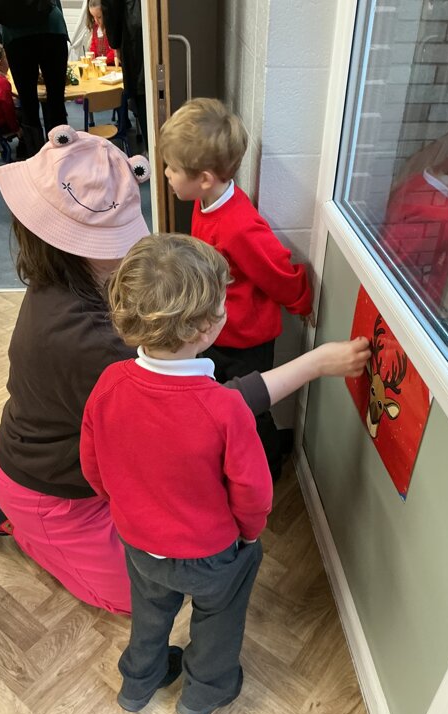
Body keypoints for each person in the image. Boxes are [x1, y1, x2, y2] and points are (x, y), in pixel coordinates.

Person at [0, 128, 371, 618]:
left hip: (78, 465)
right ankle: (17, 520)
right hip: (52, 490)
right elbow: (203, 411)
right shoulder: (91, 344)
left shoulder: (68, 281)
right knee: (137, 598)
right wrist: (315, 363)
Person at [80, 234, 272, 714]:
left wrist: (125, 506)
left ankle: (136, 685)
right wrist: (249, 535)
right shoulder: (225, 408)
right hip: (210, 552)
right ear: (206, 326)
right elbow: (253, 493)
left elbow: (93, 466)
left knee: (149, 611)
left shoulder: (108, 384)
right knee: (220, 615)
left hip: (139, 541)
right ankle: (204, 694)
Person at [159, 98, 314, 482]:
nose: (166, 174)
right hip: (219, 330)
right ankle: (230, 456)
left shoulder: (239, 225)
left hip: (246, 341)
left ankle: (268, 470)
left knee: (251, 408)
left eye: (172, 168)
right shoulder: (205, 201)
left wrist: (300, 301)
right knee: (222, 400)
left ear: (204, 178)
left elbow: (276, 269)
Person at [0, 0, 69, 156]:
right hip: (51, 27)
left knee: (27, 102)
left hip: (14, 34)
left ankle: (35, 156)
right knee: (56, 98)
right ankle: (61, 154)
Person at [101, 0, 147, 149]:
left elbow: (111, 8)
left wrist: (115, 44)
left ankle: (153, 153)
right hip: (144, 26)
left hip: (133, 35)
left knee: (143, 96)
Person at [87, 0, 115, 65]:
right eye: (93, 17)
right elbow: (93, 45)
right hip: (100, 65)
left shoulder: (111, 28)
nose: (96, 20)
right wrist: (92, 56)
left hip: (112, 65)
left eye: (99, 17)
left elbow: (114, 50)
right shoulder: (95, 27)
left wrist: (103, 59)